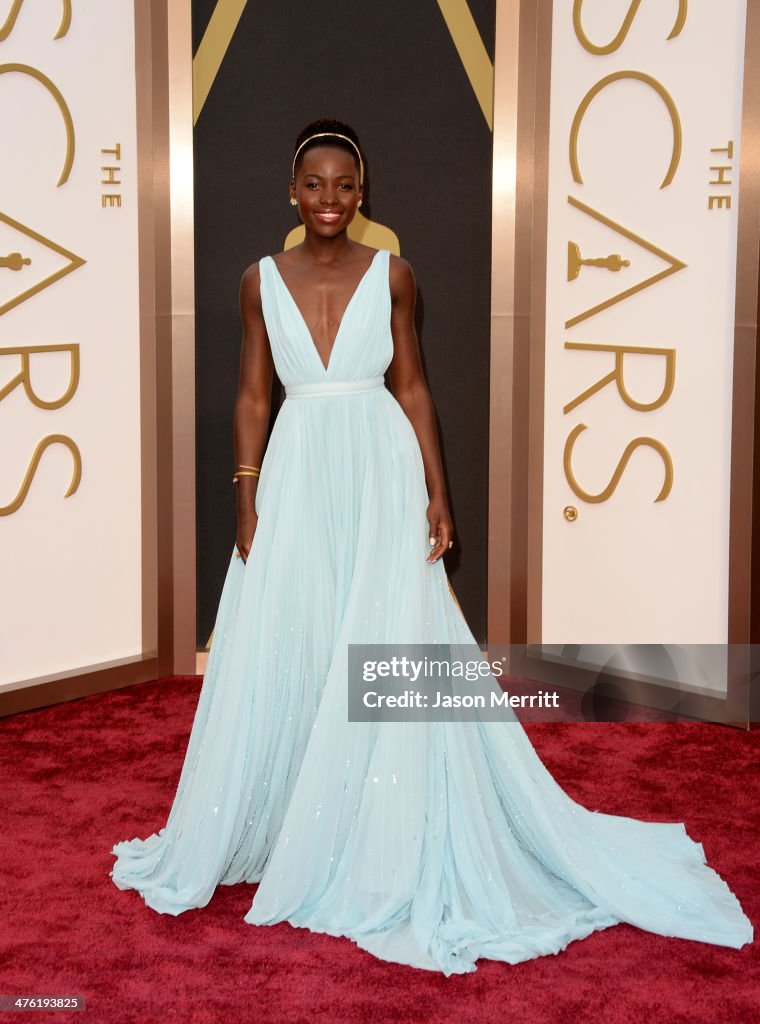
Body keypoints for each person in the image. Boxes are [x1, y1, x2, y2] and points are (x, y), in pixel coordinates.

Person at [111, 118, 753, 974]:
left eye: (345, 186)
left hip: (380, 471)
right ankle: (296, 819)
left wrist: (438, 492)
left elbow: (412, 388)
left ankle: (371, 827)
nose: (330, 200)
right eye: (314, 185)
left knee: (380, 637)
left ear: (362, 193)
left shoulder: (395, 275)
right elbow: (251, 395)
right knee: (292, 639)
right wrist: (245, 494)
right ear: (291, 193)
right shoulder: (257, 282)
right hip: (299, 471)